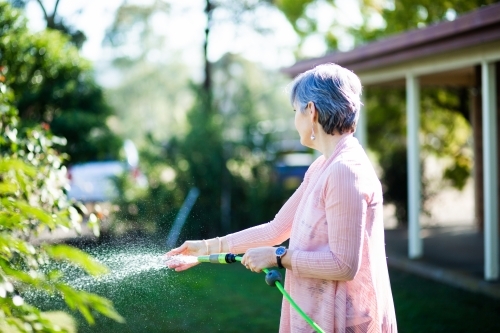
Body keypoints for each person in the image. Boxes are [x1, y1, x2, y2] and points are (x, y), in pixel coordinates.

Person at [166, 63, 397, 333]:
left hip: (345, 323)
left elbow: (344, 265)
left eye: (294, 111)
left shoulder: (345, 171)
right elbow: (276, 229)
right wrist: (204, 249)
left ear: (311, 111)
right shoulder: (323, 167)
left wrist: (278, 257)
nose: (294, 119)